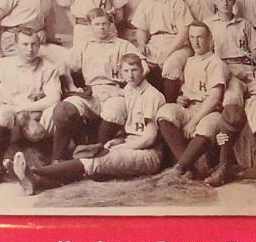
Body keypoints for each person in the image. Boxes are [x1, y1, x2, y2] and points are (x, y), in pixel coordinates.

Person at [14, 53, 165, 193]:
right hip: (130, 145)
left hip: (148, 154)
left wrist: (119, 147)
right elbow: (131, 130)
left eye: (134, 70)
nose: (130, 75)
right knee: (90, 157)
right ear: (121, 73)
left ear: (142, 70)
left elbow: (149, 138)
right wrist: (117, 141)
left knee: (95, 161)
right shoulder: (129, 90)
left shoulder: (152, 96)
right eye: (126, 71)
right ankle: (35, 181)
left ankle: (35, 174)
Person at [0, 27, 64, 186]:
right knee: (2, 114)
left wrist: (24, 109)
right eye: (25, 44)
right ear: (16, 45)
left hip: (35, 117)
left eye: (34, 44)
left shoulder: (48, 67)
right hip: (11, 116)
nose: (30, 49)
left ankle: (49, 166)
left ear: (39, 45)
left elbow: (54, 97)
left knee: (58, 112)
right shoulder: (2, 65)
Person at [157, 22, 244, 185]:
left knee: (206, 127)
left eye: (200, 37)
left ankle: (179, 168)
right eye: (192, 37)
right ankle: (189, 167)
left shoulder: (216, 63)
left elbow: (214, 98)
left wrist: (192, 123)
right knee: (165, 112)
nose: (196, 42)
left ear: (209, 39)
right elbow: (187, 89)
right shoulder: (189, 61)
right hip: (189, 107)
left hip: (209, 110)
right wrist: (180, 98)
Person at [51, 9, 143, 161]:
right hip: (91, 93)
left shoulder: (122, 45)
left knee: (115, 110)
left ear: (110, 24)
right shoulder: (85, 45)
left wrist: (127, 88)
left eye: (105, 24)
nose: (101, 27)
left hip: (115, 92)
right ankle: (57, 160)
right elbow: (62, 66)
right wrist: (72, 86)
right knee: (63, 111)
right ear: (90, 26)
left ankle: (97, 156)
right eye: (97, 24)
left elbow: (142, 67)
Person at [130, 0, 195, 101]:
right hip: (155, 43)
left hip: (178, 44)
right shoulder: (145, 4)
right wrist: (142, 44)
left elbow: (184, 33)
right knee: (138, 64)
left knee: (170, 64)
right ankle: (149, 103)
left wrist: (167, 53)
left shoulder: (176, 2)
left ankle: (170, 104)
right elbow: (141, 30)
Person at [206, 0, 256, 110]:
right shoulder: (209, 25)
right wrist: (232, 70)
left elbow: (255, 51)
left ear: (234, 2)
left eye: (228, 0)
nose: (225, 3)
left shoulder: (243, 23)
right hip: (227, 70)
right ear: (215, 2)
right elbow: (209, 56)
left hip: (248, 68)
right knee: (232, 97)